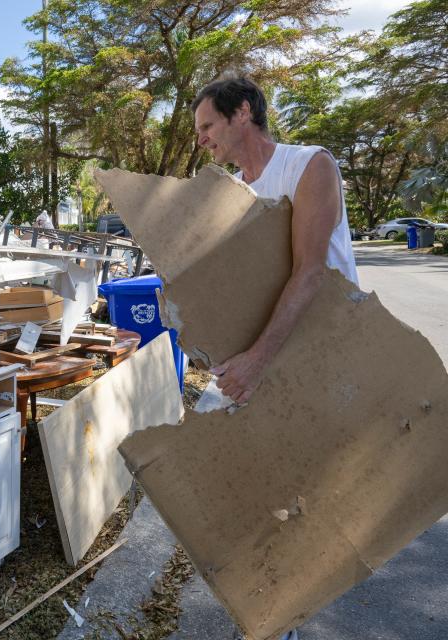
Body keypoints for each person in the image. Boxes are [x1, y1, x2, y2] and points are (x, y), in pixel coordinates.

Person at [191, 76, 359, 640]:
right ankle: (269, 617)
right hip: (268, 360)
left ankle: (282, 618)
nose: (201, 140)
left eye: (207, 126)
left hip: (322, 355)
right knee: (258, 494)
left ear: (243, 113)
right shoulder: (235, 194)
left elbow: (309, 270)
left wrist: (258, 359)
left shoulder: (311, 165)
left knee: (302, 499)